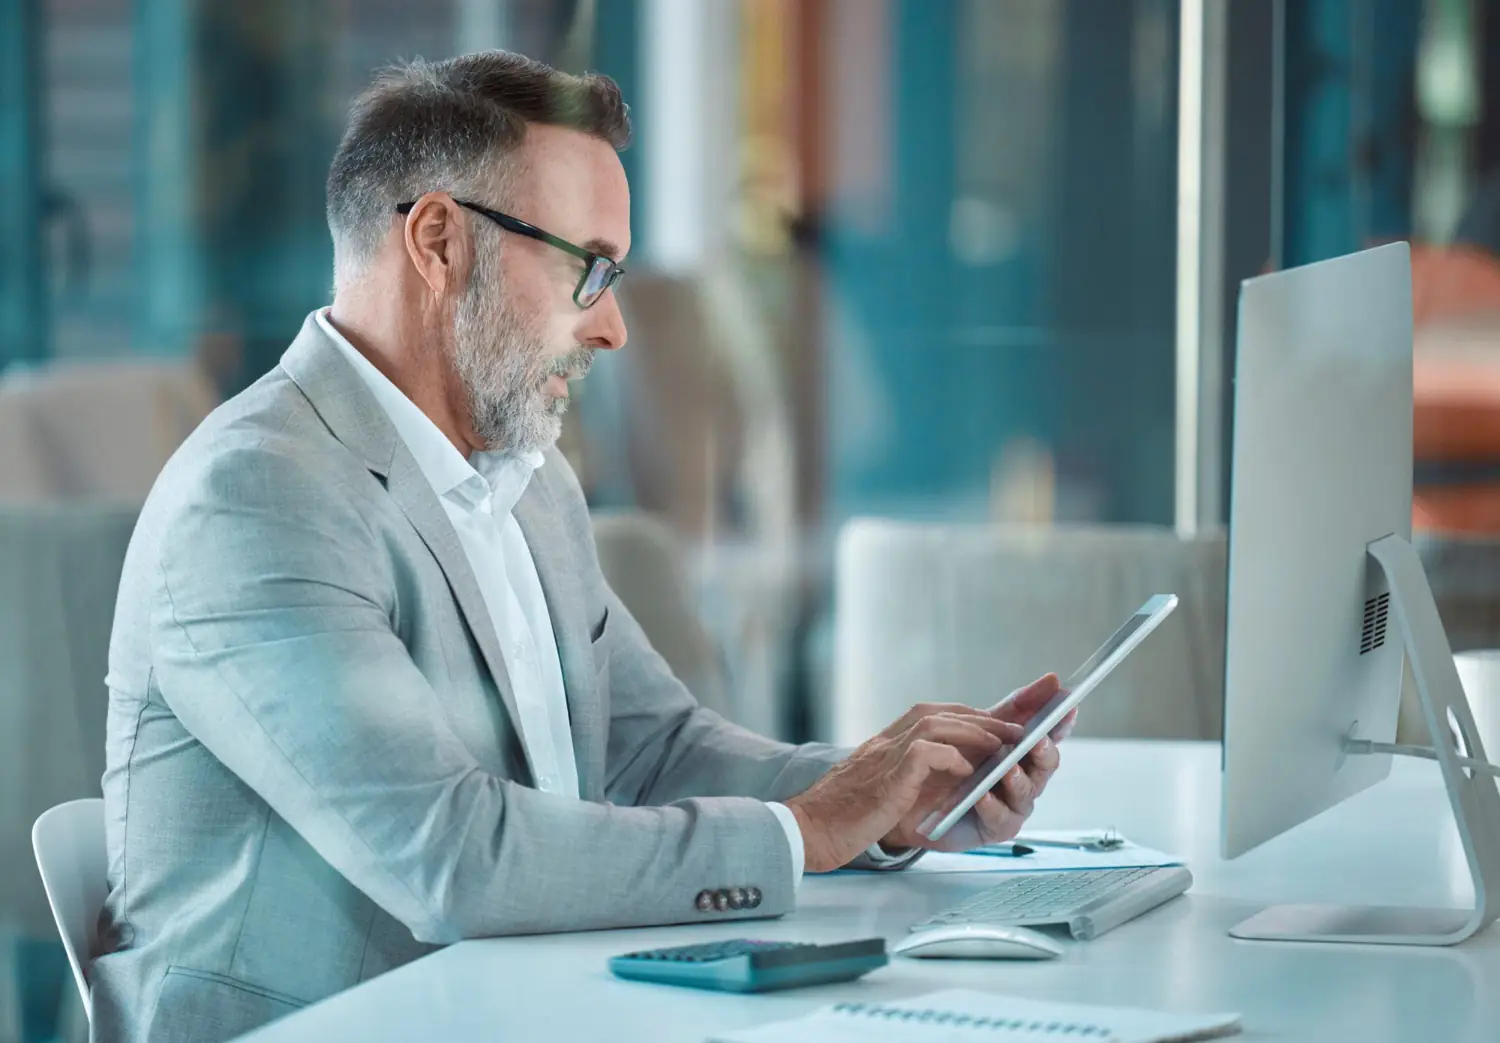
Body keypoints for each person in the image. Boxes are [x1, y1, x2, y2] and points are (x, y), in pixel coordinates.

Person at [92, 51, 1069, 1043]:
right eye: (587, 268)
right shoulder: (261, 496)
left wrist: (883, 795)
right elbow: (453, 857)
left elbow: (652, 750)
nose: (613, 328)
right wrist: (809, 830)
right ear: (437, 240)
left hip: (524, 1003)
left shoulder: (527, 478)